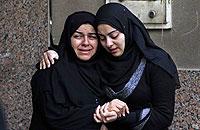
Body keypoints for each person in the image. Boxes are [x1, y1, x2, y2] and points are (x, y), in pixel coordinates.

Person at [40, 3, 180, 130]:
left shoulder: (155, 63)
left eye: (114, 35)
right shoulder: (103, 58)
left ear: (127, 29)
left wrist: (119, 118)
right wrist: (54, 52)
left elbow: (164, 116)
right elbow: (76, 50)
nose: (109, 44)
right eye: (101, 37)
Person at [29, 11, 120, 130]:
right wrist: (100, 114)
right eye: (78, 36)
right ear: (68, 38)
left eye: (92, 37)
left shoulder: (104, 69)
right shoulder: (50, 71)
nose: (85, 43)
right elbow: (54, 117)